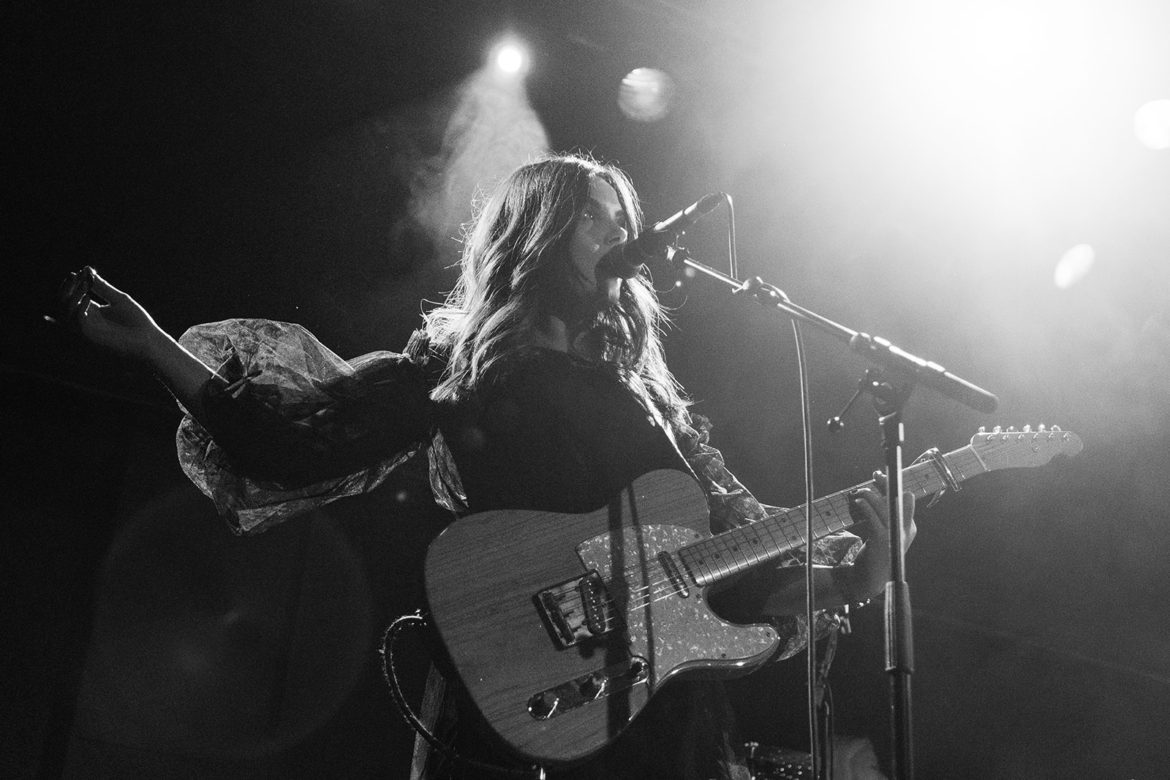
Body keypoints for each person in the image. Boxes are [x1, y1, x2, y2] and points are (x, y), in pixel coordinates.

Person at [62, 153, 915, 779]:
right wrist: (155, 346)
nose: (622, 234)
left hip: (664, 730)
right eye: (598, 216)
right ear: (541, 230)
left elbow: (726, 584)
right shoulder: (463, 368)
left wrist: (858, 578)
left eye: (625, 220)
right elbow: (291, 445)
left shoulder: (653, 404)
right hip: (519, 699)